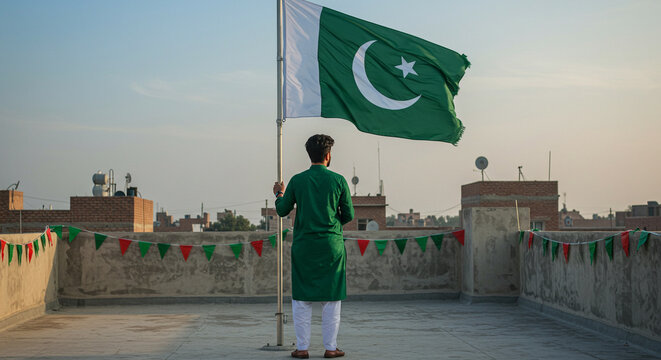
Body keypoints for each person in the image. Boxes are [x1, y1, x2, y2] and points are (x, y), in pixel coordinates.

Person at [273, 134, 354, 359]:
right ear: (328, 155)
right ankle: (330, 348)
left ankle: (302, 348)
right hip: (332, 246)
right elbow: (348, 214)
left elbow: (282, 210)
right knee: (332, 299)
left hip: (304, 246)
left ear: (310, 155)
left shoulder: (298, 181)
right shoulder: (338, 180)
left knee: (302, 299)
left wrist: (279, 193)